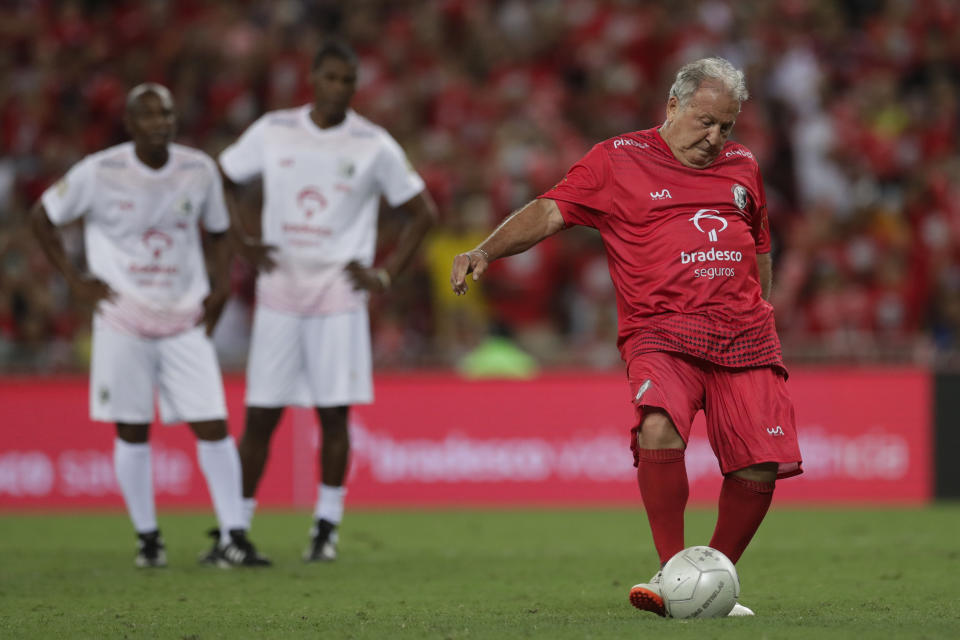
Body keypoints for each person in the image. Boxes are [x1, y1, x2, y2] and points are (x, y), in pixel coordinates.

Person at [450, 58, 802, 616]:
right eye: (705, 122)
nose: (714, 139)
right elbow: (549, 211)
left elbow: (758, 244)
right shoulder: (617, 160)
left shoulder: (744, 165)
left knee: (759, 464)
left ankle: (711, 580)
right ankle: (672, 572)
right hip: (661, 330)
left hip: (745, 334)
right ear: (673, 106)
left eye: (726, 127)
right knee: (658, 426)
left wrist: (765, 308)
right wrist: (484, 251)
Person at [29, 83, 270, 568]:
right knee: (133, 430)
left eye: (167, 113)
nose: (161, 122)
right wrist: (76, 281)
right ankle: (148, 538)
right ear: (130, 124)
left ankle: (233, 535)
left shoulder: (198, 169)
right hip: (123, 315)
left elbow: (222, 232)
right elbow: (42, 217)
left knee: (214, 425)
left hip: (185, 318)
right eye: (150, 115)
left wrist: (221, 286)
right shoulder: (100, 171)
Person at [219, 40, 437, 561]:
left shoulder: (372, 143)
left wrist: (384, 274)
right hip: (279, 292)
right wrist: (241, 240)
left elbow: (423, 212)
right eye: (331, 78)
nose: (339, 88)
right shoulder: (274, 130)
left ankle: (326, 527)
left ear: (354, 86)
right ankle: (235, 529)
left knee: (333, 415)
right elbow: (220, 178)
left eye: (348, 81)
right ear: (312, 78)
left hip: (339, 296)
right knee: (261, 417)